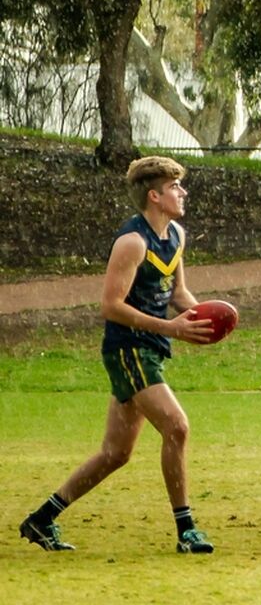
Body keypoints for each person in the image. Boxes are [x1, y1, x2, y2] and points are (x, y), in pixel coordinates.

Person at [20, 157, 221, 554]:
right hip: (127, 349)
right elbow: (110, 306)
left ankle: (41, 520)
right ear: (155, 196)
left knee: (116, 454)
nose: (183, 192)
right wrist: (170, 328)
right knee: (177, 427)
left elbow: (178, 294)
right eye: (175, 187)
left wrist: (203, 322)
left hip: (149, 348)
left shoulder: (176, 235)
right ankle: (186, 530)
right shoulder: (132, 242)